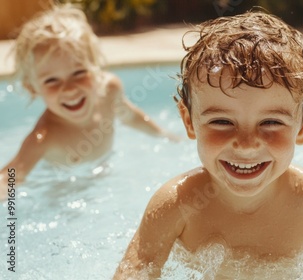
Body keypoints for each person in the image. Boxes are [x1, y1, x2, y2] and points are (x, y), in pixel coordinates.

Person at [114, 11, 303, 279]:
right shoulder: (177, 205)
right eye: (221, 122)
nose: (246, 144)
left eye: (271, 123)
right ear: (189, 122)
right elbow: (135, 271)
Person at [0, 5, 179, 200]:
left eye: (79, 73)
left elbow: (130, 117)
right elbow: (12, 175)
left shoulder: (109, 91)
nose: (69, 88)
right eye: (51, 80)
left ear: (95, 67)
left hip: (105, 172)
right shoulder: (44, 138)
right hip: (65, 190)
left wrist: (164, 136)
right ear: (33, 88)